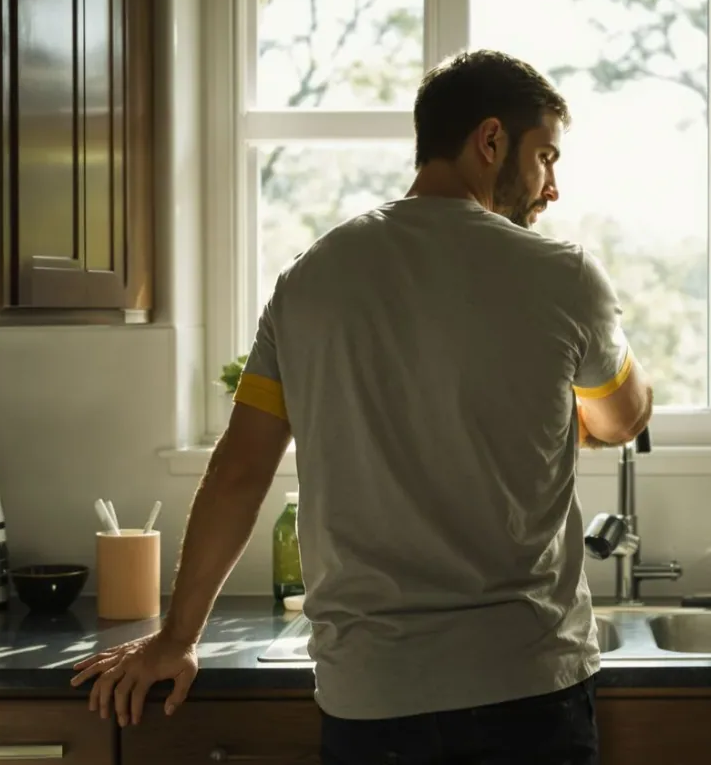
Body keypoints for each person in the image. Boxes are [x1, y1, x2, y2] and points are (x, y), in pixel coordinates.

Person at [69, 49, 653, 765]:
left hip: (374, 700)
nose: (551, 187)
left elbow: (240, 470)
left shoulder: (310, 277)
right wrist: (585, 399)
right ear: (490, 140)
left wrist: (177, 636)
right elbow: (622, 418)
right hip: (527, 685)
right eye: (545, 157)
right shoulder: (563, 275)